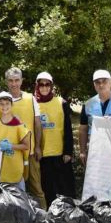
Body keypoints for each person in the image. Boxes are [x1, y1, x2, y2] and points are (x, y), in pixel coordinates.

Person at [0, 67, 45, 208]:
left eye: (16, 80)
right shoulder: (0, 100)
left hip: (29, 151)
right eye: (10, 81)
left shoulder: (30, 98)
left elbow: (37, 124)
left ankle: (43, 220)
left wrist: (38, 146)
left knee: (36, 188)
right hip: (8, 154)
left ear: (21, 81)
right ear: (6, 82)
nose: (14, 84)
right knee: (8, 189)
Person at [35, 72, 75, 204]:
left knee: (64, 189)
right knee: (47, 189)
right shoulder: (33, 103)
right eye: (41, 85)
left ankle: (68, 216)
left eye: (47, 84)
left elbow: (68, 128)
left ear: (51, 86)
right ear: (37, 86)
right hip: (42, 154)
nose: (44, 87)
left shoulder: (61, 102)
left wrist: (68, 151)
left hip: (60, 154)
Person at [0, 91, 31, 188]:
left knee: (19, 201)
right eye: (1, 104)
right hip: (0, 170)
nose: (4, 106)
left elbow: (26, 145)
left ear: (11, 105)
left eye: (7, 103)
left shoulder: (18, 124)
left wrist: (10, 146)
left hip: (15, 168)